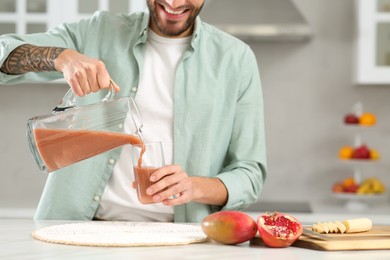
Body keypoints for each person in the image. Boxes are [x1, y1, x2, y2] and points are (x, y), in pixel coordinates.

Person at [0, 0, 267, 222]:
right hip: (76, 230)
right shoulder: (98, 31)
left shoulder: (236, 59)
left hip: (179, 240)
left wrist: (194, 186)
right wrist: (62, 57)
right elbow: (3, 53)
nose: (174, 3)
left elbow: (249, 173)